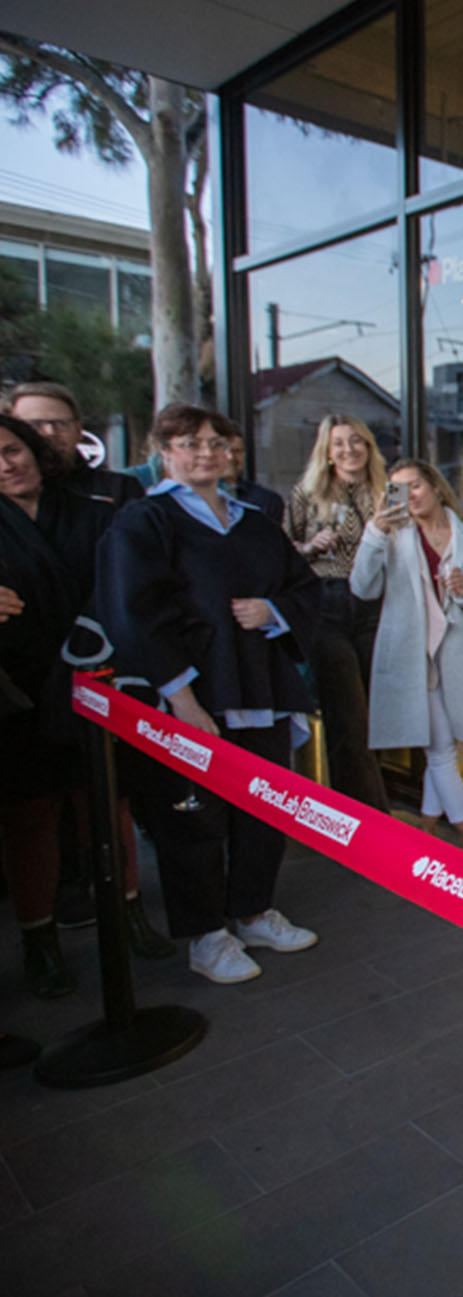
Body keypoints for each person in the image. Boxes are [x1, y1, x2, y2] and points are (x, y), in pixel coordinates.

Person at [93, 404, 325, 985]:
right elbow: (133, 613)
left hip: (262, 688)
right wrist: (183, 701)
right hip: (191, 694)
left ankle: (253, 911)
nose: (205, 453)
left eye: (216, 443)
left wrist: (272, 610)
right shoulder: (144, 521)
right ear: (163, 452)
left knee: (265, 805)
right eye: (189, 443)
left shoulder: (256, 521)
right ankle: (206, 936)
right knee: (193, 818)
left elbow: (304, 587)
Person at [0, 414, 170, 998]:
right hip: (19, 691)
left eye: (12, 450)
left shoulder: (92, 509)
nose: (6, 465)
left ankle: (128, 914)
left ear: (34, 450)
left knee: (108, 802)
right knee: (32, 817)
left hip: (99, 680)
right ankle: (39, 941)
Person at [350, 458, 463, 856]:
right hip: (413, 658)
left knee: (442, 745)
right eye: (398, 490)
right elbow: (362, 588)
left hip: (457, 656)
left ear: (434, 486)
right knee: (440, 749)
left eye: (414, 486)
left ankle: (428, 824)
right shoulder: (392, 536)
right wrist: (374, 533)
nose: (409, 497)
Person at [286, 414, 390, 812]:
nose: (349, 450)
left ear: (368, 446)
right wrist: (310, 546)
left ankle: (364, 810)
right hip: (327, 605)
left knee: (375, 718)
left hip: (378, 605)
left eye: (357, 441)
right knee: (348, 718)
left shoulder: (386, 491)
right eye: (339, 443)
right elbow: (282, 554)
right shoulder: (306, 494)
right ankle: (369, 821)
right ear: (327, 452)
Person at [1, 381, 142, 509]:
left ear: (78, 430)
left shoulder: (119, 488)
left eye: (60, 424)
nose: (50, 432)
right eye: (35, 425)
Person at [224, 431, 285, 525]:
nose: (231, 457)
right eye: (224, 451)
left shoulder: (267, 501)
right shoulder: (200, 500)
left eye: (237, 451)